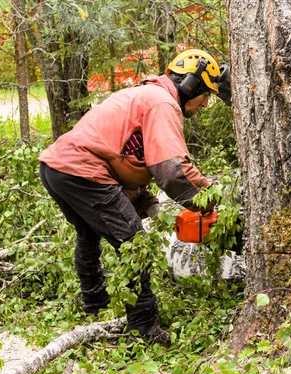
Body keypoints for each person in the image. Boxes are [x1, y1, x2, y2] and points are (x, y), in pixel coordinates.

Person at [38, 49, 231, 346]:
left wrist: (148, 204)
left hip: (57, 168)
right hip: (82, 171)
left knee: (89, 233)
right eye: (205, 94)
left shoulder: (145, 96)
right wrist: (208, 199)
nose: (205, 103)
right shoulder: (162, 103)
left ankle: (94, 304)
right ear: (190, 85)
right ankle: (143, 329)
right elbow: (171, 170)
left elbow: (126, 160)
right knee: (135, 243)